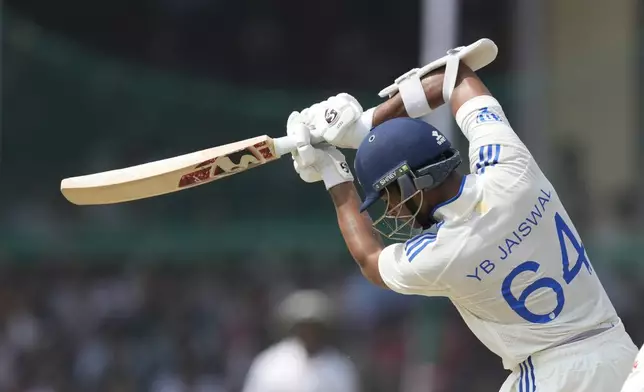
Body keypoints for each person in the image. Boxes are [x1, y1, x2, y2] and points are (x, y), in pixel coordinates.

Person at [285, 41, 638, 391]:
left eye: (390, 196)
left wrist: (333, 173)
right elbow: (456, 78)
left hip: (552, 377)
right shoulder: (508, 165)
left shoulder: (443, 252)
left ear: (412, 185)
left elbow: (370, 260)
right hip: (619, 351)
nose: (391, 209)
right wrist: (365, 125)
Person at [241, 290, 359, 392]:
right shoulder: (271, 363)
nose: (309, 332)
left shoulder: (338, 367)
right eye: (303, 326)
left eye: (314, 326)